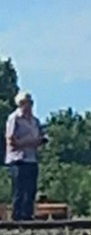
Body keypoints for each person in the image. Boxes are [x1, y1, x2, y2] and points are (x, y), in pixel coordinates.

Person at [5, 91, 47, 221]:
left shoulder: (35, 121)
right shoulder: (14, 118)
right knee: (19, 189)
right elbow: (10, 140)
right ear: (20, 104)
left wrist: (40, 141)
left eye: (30, 103)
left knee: (31, 189)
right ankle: (17, 215)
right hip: (18, 159)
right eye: (26, 103)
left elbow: (40, 136)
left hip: (31, 158)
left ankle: (27, 214)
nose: (29, 106)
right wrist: (27, 142)